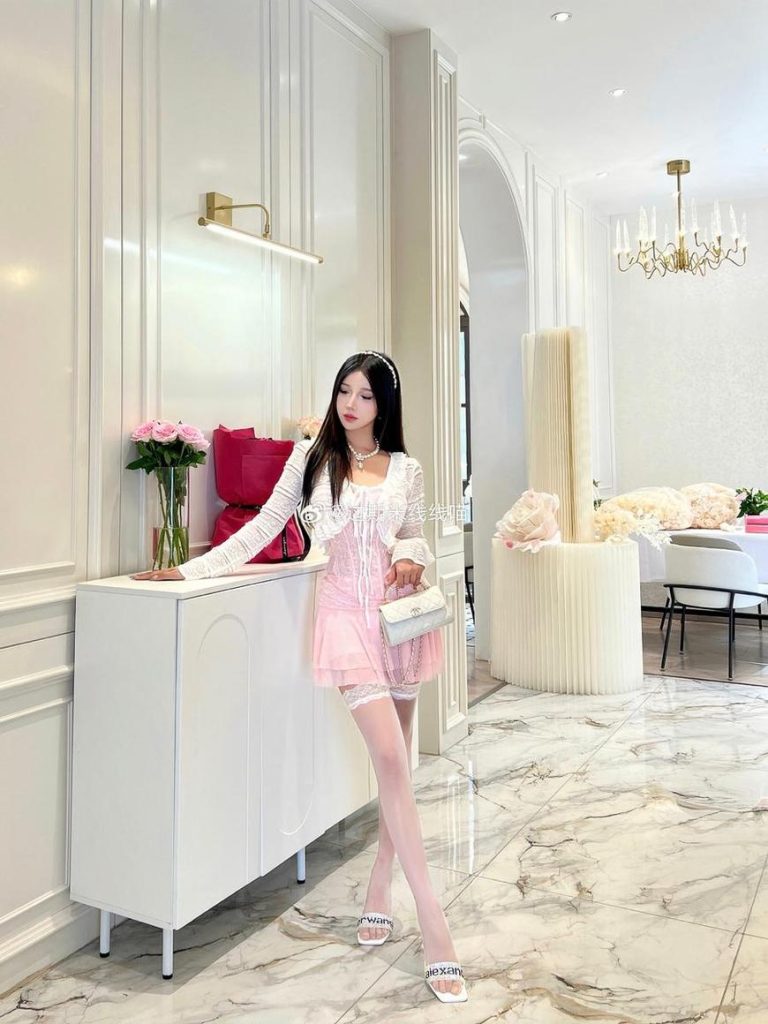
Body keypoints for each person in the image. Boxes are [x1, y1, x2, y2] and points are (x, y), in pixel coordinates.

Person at [131, 350, 468, 1003]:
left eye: (365, 395)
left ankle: (380, 883)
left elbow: (412, 536)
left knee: (397, 767)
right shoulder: (310, 458)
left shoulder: (406, 468)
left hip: (396, 619)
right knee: (391, 761)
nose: (351, 405)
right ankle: (435, 925)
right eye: (344, 391)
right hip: (343, 618)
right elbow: (261, 527)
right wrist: (189, 568)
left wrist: (410, 558)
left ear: (384, 404)